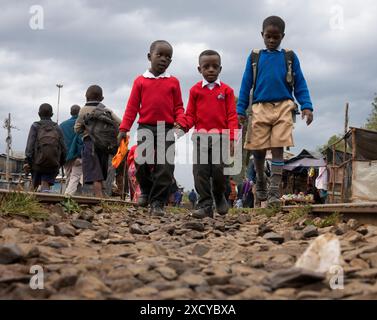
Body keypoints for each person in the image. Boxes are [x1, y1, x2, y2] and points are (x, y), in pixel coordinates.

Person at [237, 16, 314, 208]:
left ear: (283, 36)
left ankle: (273, 191)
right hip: (259, 107)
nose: (272, 40)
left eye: (276, 37)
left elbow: (300, 83)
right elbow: (246, 84)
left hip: (283, 107)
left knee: (278, 146)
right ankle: (261, 179)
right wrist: (240, 109)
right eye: (268, 36)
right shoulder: (255, 56)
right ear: (262, 35)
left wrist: (306, 106)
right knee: (258, 148)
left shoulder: (289, 57)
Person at [117, 40, 186, 216]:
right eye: (160, 55)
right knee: (141, 163)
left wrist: (180, 122)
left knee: (165, 167)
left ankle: (157, 202)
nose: (164, 59)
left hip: (167, 128)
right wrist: (124, 128)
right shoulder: (140, 81)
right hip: (145, 127)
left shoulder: (173, 82)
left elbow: (179, 107)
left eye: (168, 57)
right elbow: (132, 107)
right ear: (149, 57)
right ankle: (146, 192)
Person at [185, 49, 238, 218]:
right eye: (206, 66)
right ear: (199, 69)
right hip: (200, 138)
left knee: (219, 171)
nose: (210, 70)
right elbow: (190, 115)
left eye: (215, 66)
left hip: (221, 138)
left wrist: (231, 139)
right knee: (200, 171)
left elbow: (232, 116)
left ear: (220, 69)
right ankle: (205, 205)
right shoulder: (195, 91)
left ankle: (219, 195)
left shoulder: (227, 91)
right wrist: (181, 127)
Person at [74, 85, 121, 198]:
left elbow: (77, 129)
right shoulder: (106, 110)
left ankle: (99, 197)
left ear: (86, 97)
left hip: (90, 143)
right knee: (101, 171)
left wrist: (86, 128)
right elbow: (120, 123)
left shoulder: (83, 110)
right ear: (102, 98)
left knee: (95, 173)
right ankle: (103, 195)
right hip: (105, 146)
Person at [24, 103, 66, 192]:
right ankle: (47, 202)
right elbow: (63, 148)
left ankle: (30, 203)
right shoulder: (57, 127)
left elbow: (29, 147)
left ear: (39, 114)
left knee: (34, 185)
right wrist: (60, 163)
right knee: (45, 184)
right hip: (52, 163)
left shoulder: (35, 126)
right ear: (52, 115)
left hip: (37, 164)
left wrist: (29, 162)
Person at [59, 105, 83, 195]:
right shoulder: (81, 124)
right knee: (77, 177)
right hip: (78, 155)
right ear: (80, 112)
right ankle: (69, 196)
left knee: (69, 177)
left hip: (66, 156)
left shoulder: (62, 125)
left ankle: (69, 197)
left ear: (70, 112)